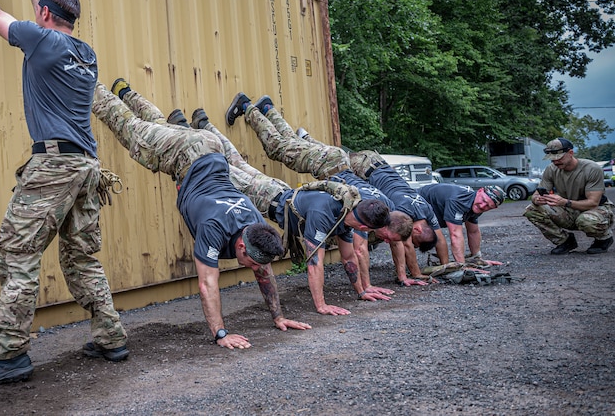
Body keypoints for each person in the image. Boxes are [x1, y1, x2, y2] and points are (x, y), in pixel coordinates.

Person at [0, 0, 128, 387]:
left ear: (45, 17)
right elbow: (46, 30)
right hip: (86, 167)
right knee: (82, 257)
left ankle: (11, 355)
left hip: (52, 167)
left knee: (17, 256)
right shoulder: (85, 54)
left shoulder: (42, 40)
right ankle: (111, 337)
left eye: (39, 12)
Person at [92, 79, 311, 348]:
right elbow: (207, 284)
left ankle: (125, 91)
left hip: (208, 146)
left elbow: (265, 273)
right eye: (253, 262)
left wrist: (279, 317)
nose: (257, 269)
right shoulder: (213, 227)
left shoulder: (256, 229)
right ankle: (88, 82)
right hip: (187, 154)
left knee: (159, 129)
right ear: (241, 245)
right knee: (131, 130)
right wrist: (221, 333)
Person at [184, 108, 394, 315]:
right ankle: (189, 130)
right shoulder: (325, 214)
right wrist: (321, 306)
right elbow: (314, 263)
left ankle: (203, 126)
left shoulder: (347, 214)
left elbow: (348, 258)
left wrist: (362, 291)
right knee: (223, 164)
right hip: (264, 196)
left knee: (235, 161)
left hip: (277, 190)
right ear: (365, 227)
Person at [226, 92, 448, 273]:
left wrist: (405, 275)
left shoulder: (384, 208)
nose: (390, 243)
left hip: (335, 163)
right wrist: (367, 287)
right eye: (390, 239)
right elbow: (359, 251)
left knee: (291, 145)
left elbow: (397, 243)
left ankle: (268, 109)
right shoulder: (369, 215)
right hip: (330, 163)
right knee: (277, 148)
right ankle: (247, 107)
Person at [524, 138, 615, 254]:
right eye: (552, 159)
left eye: (559, 158)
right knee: (531, 210)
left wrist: (564, 202)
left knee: (586, 221)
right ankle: (565, 241)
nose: (556, 162)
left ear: (570, 153)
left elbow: (593, 202)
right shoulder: (551, 170)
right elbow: (535, 196)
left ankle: (603, 239)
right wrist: (538, 199)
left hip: (596, 209)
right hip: (569, 209)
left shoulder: (591, 169)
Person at [417, 183, 506, 263]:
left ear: (494, 208)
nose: (482, 205)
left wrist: (477, 258)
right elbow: (455, 235)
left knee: (435, 235)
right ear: (480, 190)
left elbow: (473, 231)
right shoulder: (459, 200)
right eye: (483, 200)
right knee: (425, 237)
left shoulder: (477, 204)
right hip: (416, 203)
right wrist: (462, 266)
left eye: (488, 206)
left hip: (431, 211)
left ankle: (448, 264)